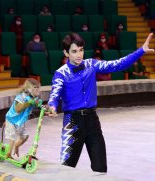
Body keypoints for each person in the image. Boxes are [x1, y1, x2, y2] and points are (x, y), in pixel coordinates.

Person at [46, 32, 154, 172]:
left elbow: (117, 64)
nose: (79, 54)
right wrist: (52, 106)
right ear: (66, 53)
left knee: (100, 168)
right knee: (65, 169)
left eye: (81, 50)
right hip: (72, 122)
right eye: (74, 51)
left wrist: (141, 51)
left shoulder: (91, 64)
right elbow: (55, 93)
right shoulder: (61, 73)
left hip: (92, 121)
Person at [4, 78, 42, 159]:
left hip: (20, 122)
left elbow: (38, 104)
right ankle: (8, 154)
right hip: (12, 119)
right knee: (12, 136)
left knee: (25, 136)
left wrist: (46, 107)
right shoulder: (21, 97)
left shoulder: (33, 98)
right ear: (29, 89)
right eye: (35, 88)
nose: (38, 91)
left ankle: (17, 145)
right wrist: (28, 102)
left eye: (38, 88)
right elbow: (18, 109)